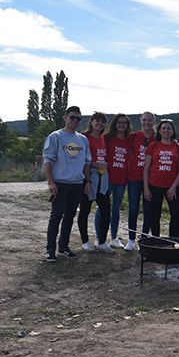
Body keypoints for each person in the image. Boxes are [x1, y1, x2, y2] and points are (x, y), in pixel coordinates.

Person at [43, 106, 91, 262]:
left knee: (69, 216)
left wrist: (88, 180)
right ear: (65, 117)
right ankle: (50, 249)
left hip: (77, 183)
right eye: (72, 117)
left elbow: (86, 162)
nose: (75, 121)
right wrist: (51, 181)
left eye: (78, 118)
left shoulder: (83, 139)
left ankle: (63, 247)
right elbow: (48, 160)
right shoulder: (56, 136)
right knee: (56, 216)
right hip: (60, 182)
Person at [77, 112, 114, 254]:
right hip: (88, 177)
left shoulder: (104, 138)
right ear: (91, 122)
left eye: (102, 122)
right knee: (85, 210)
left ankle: (102, 241)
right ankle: (85, 241)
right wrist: (93, 165)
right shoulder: (84, 137)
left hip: (103, 178)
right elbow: (80, 158)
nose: (99, 124)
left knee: (105, 210)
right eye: (97, 121)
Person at [143, 119, 179, 238]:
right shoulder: (153, 146)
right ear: (159, 131)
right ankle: (156, 239)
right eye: (164, 128)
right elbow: (146, 168)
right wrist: (146, 188)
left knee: (176, 215)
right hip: (154, 185)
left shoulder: (178, 148)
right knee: (154, 215)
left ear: (173, 131)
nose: (166, 130)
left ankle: (172, 240)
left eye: (169, 128)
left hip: (171, 187)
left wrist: (173, 188)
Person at [99, 113, 132, 249]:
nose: (122, 125)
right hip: (107, 177)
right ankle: (99, 238)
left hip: (122, 178)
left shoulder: (129, 139)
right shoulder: (107, 138)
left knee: (116, 208)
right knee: (102, 209)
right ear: (114, 124)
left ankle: (114, 237)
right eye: (119, 122)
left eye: (124, 123)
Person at [125, 112, 155, 250]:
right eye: (144, 120)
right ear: (140, 121)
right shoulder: (134, 136)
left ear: (153, 121)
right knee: (133, 208)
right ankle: (131, 239)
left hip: (152, 178)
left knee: (148, 209)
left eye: (150, 120)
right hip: (134, 176)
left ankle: (143, 238)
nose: (147, 123)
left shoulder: (158, 136)